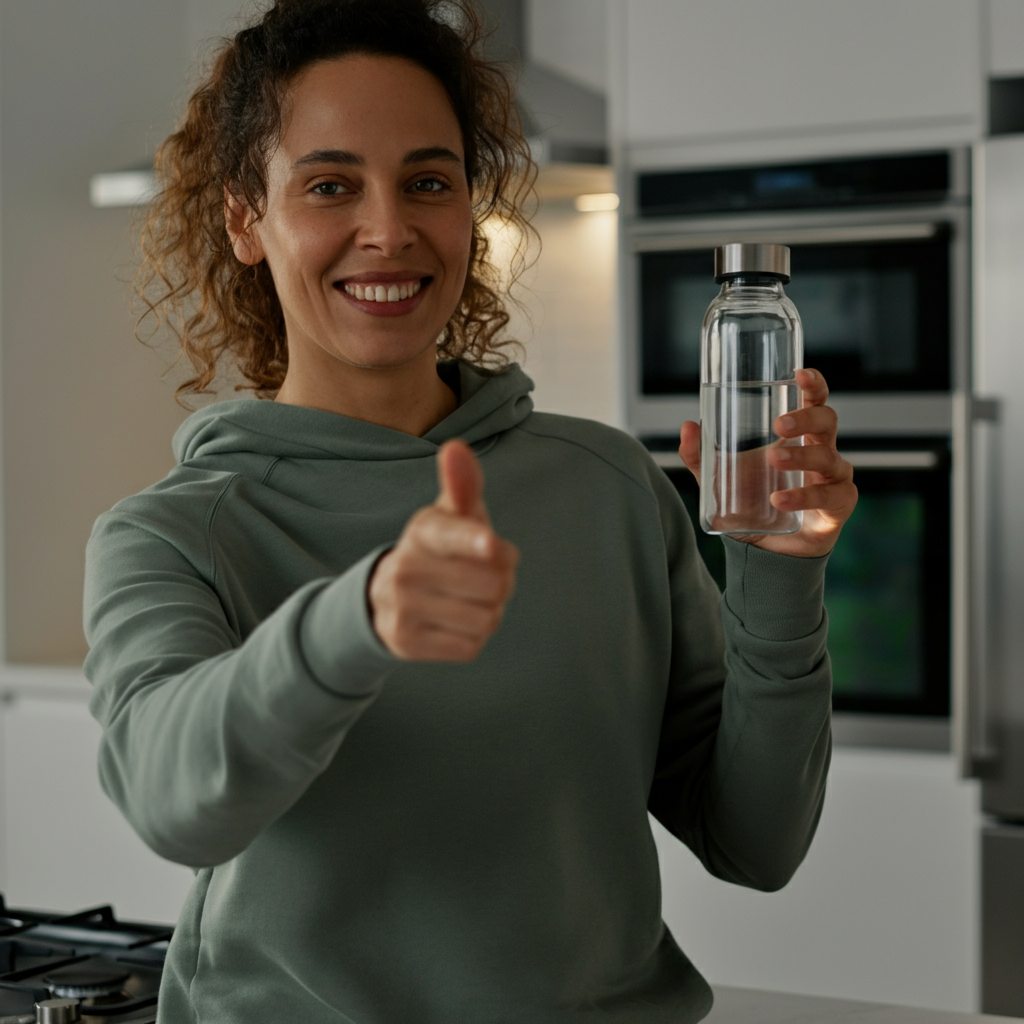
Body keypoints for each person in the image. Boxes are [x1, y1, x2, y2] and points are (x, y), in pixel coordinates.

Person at [83, 1, 858, 1022]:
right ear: (244, 218)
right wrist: (357, 620)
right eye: (329, 185)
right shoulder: (173, 532)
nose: (388, 229)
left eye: (427, 181)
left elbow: (757, 841)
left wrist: (778, 574)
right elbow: (173, 799)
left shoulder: (607, 484)